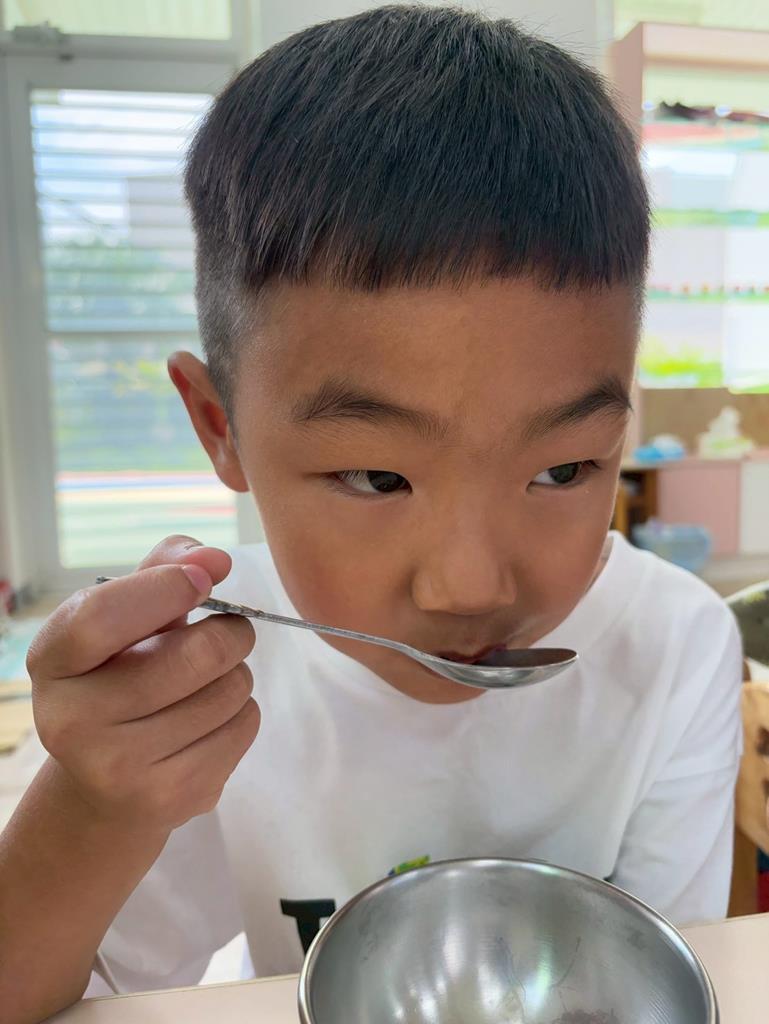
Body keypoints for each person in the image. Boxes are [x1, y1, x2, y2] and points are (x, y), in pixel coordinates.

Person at [0, 6, 742, 1021]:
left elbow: (661, 979)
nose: (471, 585)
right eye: (378, 479)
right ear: (220, 425)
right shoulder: (187, 679)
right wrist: (93, 807)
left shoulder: (676, 645)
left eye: (565, 468)